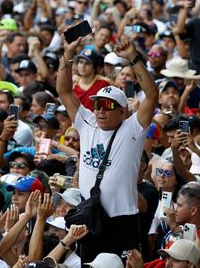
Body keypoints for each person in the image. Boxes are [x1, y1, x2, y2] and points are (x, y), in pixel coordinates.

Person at [56, 33, 157, 262]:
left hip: (122, 220)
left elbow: (151, 95)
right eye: (98, 104)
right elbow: (63, 91)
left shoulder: (132, 129)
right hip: (89, 216)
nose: (101, 110)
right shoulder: (87, 122)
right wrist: (69, 54)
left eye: (109, 106)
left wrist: (133, 57)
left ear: (123, 112)